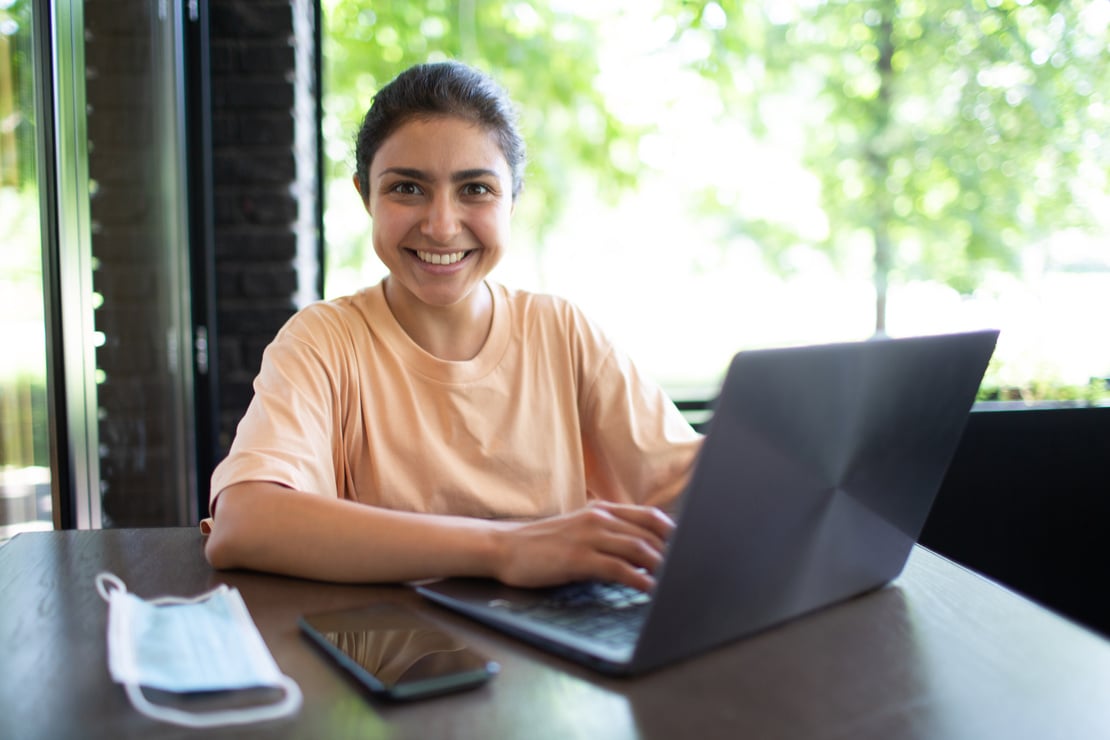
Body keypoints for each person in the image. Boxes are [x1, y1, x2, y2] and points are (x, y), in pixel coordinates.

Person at [203, 61, 702, 593]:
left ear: (513, 198)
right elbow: (244, 522)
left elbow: (690, 489)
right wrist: (504, 549)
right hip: (388, 656)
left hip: (556, 654)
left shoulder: (561, 331)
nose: (441, 226)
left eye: (476, 190)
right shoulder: (324, 341)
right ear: (364, 195)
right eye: (407, 189)